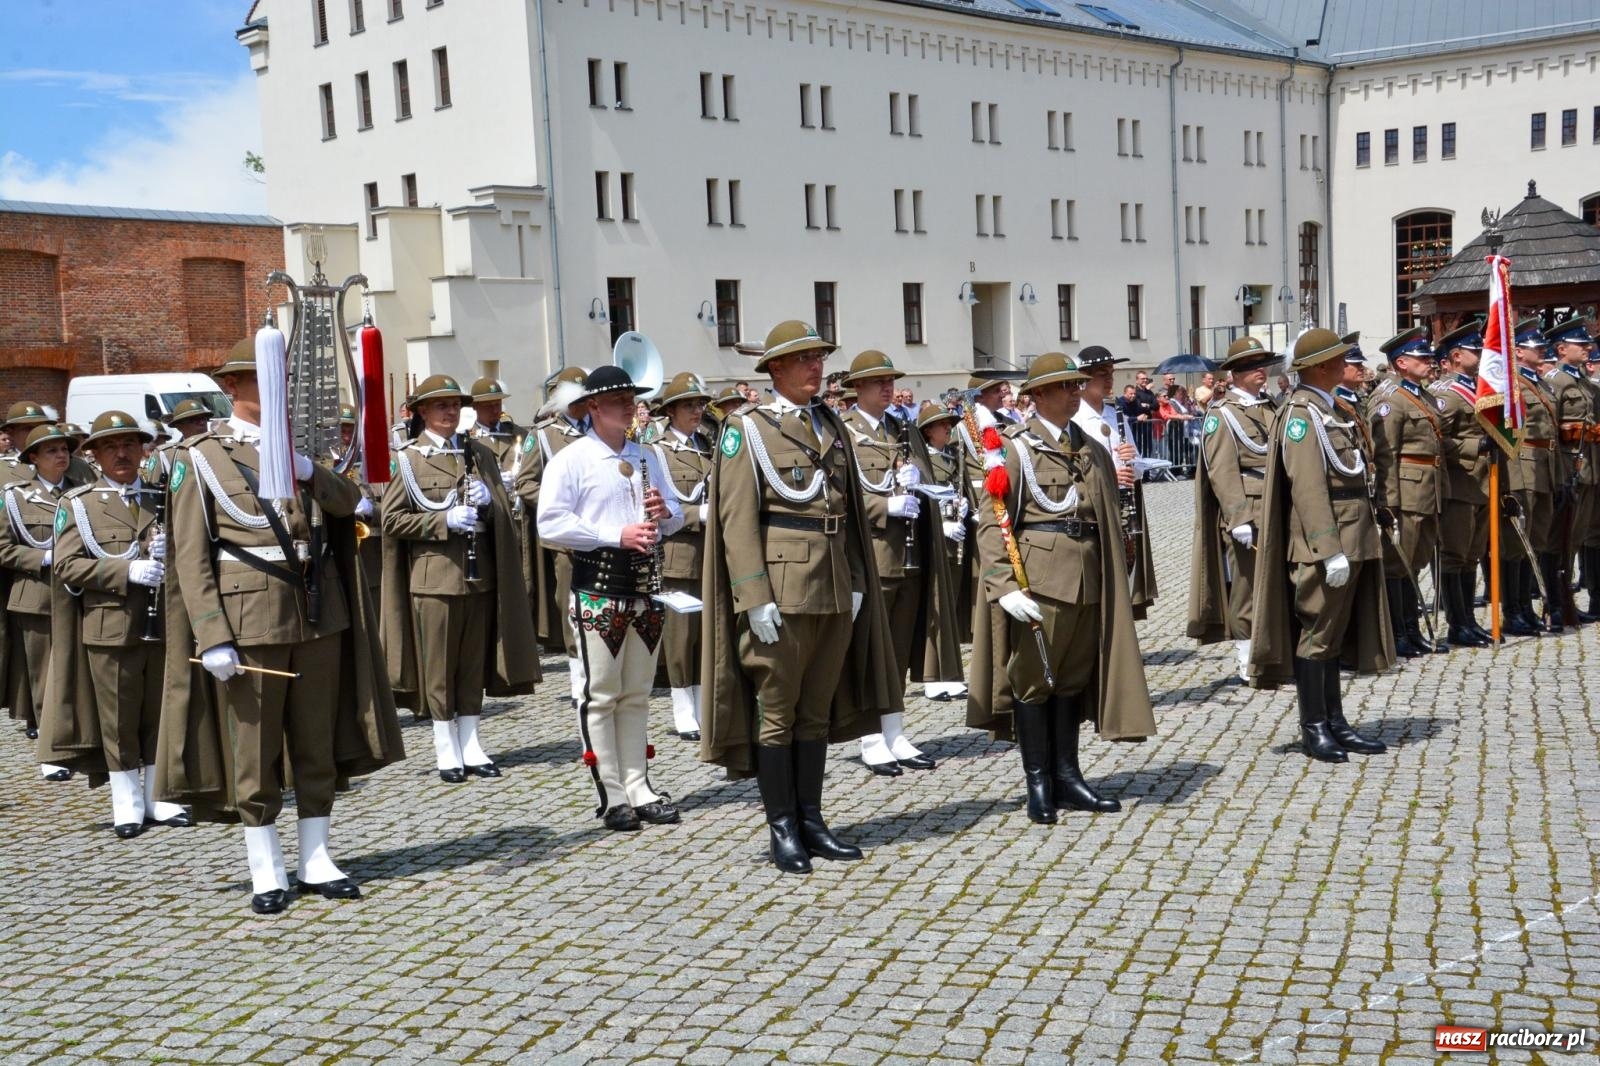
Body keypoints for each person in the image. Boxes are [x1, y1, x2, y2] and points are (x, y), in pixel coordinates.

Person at [161, 344, 403, 914]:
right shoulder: (201, 457)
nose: (281, 394)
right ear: (239, 386)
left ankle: (316, 855)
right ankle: (266, 866)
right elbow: (191, 560)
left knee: (316, 740)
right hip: (249, 620)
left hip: (318, 611)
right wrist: (212, 634)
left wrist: (308, 470)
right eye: (269, 383)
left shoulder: (307, 450)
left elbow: (352, 505)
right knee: (256, 747)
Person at [700, 319, 901, 874]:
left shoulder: (828, 423)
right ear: (777, 369)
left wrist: (858, 582)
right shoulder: (748, 429)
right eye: (806, 359)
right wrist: (752, 595)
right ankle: (782, 827)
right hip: (781, 592)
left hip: (834, 584)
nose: (818, 366)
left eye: (820, 357)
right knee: (777, 714)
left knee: (815, 713)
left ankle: (812, 820)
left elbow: (848, 513)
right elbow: (737, 519)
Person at [968, 353, 1155, 823]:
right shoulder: (1013, 448)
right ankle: (1038, 782)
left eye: (1077, 385)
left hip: (1088, 576)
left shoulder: (1088, 445)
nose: (1076, 392)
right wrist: (1004, 583)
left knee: (1071, 680)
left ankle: (1068, 775)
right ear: (1038, 397)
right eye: (1065, 387)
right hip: (1040, 580)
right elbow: (994, 519)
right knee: (1035, 681)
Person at [538, 366, 685, 831]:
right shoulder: (571, 459)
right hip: (598, 588)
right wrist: (614, 534)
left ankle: (640, 786)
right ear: (593, 407)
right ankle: (612, 794)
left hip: (645, 588)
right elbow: (550, 524)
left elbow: (678, 517)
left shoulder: (648, 455)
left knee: (638, 693)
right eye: (618, 399)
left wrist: (665, 514)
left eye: (632, 398)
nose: (629, 405)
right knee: (600, 694)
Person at [41, 411, 194, 837]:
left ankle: (157, 798)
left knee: (157, 711)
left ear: (144, 450)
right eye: (110, 446)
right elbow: (68, 566)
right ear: (94, 454)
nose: (122, 453)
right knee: (119, 717)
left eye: (129, 444)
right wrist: (124, 572)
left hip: (165, 621)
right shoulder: (79, 503)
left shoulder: (160, 495)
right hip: (110, 625)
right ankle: (126, 801)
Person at [383, 375, 538, 783]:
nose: (450, 413)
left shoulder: (479, 453)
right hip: (433, 579)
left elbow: (503, 512)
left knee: (472, 666)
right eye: (441, 406)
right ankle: (445, 746)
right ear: (421, 413)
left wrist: (490, 505)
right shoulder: (409, 459)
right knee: (439, 668)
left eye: (454, 405)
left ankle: (471, 742)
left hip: (479, 577)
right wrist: (442, 520)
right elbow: (392, 519)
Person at [1249, 329, 1393, 762]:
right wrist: (1328, 548)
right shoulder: (1301, 413)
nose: (1345, 362)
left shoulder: (1334, 408)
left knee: (1334, 634)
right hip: (1325, 542)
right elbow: (1309, 487)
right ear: (1317, 367)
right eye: (1337, 358)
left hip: (1356, 533)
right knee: (1317, 634)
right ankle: (1314, 727)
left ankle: (1335, 721)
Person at [839, 350, 962, 777]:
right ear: (858, 388)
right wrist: (883, 506)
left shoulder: (901, 428)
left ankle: (895, 731)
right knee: (873, 650)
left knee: (898, 650)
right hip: (873, 555)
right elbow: (841, 491)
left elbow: (921, 478)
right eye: (878, 382)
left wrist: (922, 491)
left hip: (909, 555)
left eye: (890, 381)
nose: (887, 388)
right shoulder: (845, 431)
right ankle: (870, 737)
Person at [1188, 336, 1281, 680]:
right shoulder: (1222, 414)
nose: (1261, 371)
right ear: (1235, 374)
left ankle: (1273, 650)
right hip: (1250, 509)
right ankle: (1246, 655)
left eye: (1262, 364)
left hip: (1275, 504)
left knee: (1274, 582)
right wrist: (1238, 516)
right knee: (1247, 585)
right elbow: (1222, 470)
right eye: (1251, 366)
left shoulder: (1271, 406)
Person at [1, 424, 88, 780]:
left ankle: (81, 739)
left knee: (78, 672)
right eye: (51, 450)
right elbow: (3, 548)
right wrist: (43, 558)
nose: (61, 455)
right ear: (33, 458)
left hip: (80, 594)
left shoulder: (84, 493)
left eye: (64, 449)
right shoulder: (15, 496)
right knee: (44, 677)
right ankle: (51, 754)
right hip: (37, 596)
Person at [515, 367, 591, 706]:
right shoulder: (544, 435)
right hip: (566, 539)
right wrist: (559, 499)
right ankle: (578, 675)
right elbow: (525, 483)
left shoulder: (601, 430)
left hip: (603, 533)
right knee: (571, 605)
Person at [646, 373, 716, 741]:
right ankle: (681, 707)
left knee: (705, 633)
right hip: (679, 552)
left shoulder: (708, 445)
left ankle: (703, 703)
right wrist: (694, 515)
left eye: (700, 404)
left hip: (710, 552)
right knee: (680, 636)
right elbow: (653, 503)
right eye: (689, 405)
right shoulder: (658, 451)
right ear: (670, 411)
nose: (696, 411)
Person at [1371, 327, 1448, 657]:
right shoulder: (1389, 399)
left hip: (1427, 489)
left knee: (1414, 562)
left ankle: (1412, 628)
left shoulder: (1422, 394)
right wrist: (1388, 502)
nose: (1429, 361)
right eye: (1421, 357)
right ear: (1401, 362)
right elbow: (1385, 454)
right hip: (1405, 491)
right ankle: (1398, 633)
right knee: (1397, 563)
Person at [1072, 346, 1157, 619]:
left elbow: (1138, 466)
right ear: (1084, 379)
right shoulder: (1076, 419)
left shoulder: (1114, 414)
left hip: (1123, 502)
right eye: (1101, 374)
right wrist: (1110, 474)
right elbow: (1076, 470)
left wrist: (1133, 463)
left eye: (1111, 373)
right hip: (1095, 506)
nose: (1109, 380)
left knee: (1125, 570)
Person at [1430, 322, 1495, 644]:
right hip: (1459, 485)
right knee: (1455, 555)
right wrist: (1476, 446)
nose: (1481, 354)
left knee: (1472, 555)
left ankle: (1468, 619)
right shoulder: (1446, 395)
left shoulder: (1477, 388)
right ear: (1455, 356)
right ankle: (1457, 625)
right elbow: (1435, 440)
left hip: (1481, 483)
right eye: (1475, 350)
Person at [1506, 320, 1566, 632]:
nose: (1541, 349)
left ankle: (1528, 605)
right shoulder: (1511, 382)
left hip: (1545, 464)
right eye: (1534, 346)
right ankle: (1513, 609)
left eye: (1542, 346)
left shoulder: (1540, 383)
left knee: (1539, 539)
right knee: (1519, 541)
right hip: (1523, 465)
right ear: (1518, 351)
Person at [1543, 317, 1598, 625]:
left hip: (1587, 469)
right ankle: (1554, 602)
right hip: (1566, 471)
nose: (1588, 347)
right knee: (1556, 541)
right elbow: (1553, 432)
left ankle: (1565, 600)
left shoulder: (1584, 384)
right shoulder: (1555, 382)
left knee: (1574, 540)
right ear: (1562, 349)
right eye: (1581, 343)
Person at [917, 401, 974, 675]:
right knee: (936, 608)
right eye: (942, 425)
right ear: (928, 431)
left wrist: (964, 507)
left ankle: (949, 669)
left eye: (950, 424)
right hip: (936, 538)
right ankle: (932, 672)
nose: (948, 428)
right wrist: (941, 524)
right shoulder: (921, 460)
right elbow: (920, 499)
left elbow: (959, 488)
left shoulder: (953, 457)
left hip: (956, 537)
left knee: (950, 605)